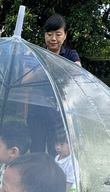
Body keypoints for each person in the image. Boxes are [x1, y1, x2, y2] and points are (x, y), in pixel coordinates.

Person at [28, 13, 82, 156]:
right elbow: (26, 78)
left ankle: (55, 177)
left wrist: (49, 65)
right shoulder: (35, 54)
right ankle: (36, 177)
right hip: (37, 111)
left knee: (57, 150)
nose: (53, 39)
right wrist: (55, 68)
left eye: (58, 34)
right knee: (36, 150)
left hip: (60, 111)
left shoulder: (71, 54)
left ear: (64, 36)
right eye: (49, 34)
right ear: (45, 35)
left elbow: (77, 72)